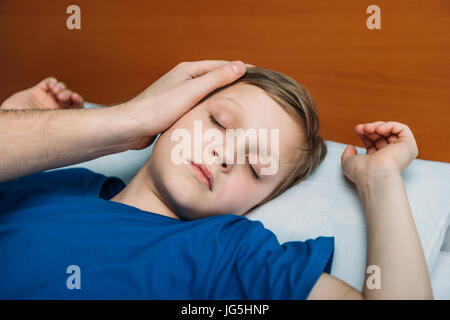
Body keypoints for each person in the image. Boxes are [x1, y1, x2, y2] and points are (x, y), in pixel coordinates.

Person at [0, 60, 432, 299]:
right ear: (173, 109)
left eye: (255, 166)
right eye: (220, 124)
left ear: (258, 202)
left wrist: (381, 183)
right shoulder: (54, 183)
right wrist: (24, 124)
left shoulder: (228, 253)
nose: (225, 155)